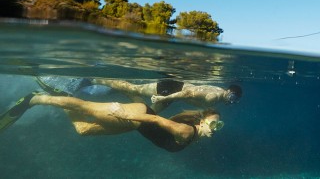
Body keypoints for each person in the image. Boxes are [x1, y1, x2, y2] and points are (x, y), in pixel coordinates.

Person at [0, 92, 224, 152]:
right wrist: (126, 115)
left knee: (83, 129)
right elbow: (154, 118)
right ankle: (35, 98)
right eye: (214, 124)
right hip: (136, 117)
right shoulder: (186, 132)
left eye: (219, 126)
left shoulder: (193, 135)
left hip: (136, 123)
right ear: (203, 122)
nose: (216, 129)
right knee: (84, 106)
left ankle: (62, 96)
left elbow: (156, 121)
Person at [36, 77, 242, 113]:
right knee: (134, 88)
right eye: (233, 98)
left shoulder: (218, 92)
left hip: (173, 89)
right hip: (170, 89)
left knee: (150, 114)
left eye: (234, 101)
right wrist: (163, 97)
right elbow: (187, 92)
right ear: (229, 92)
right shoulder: (215, 96)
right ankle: (93, 80)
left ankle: (116, 92)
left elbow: (190, 94)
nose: (231, 101)